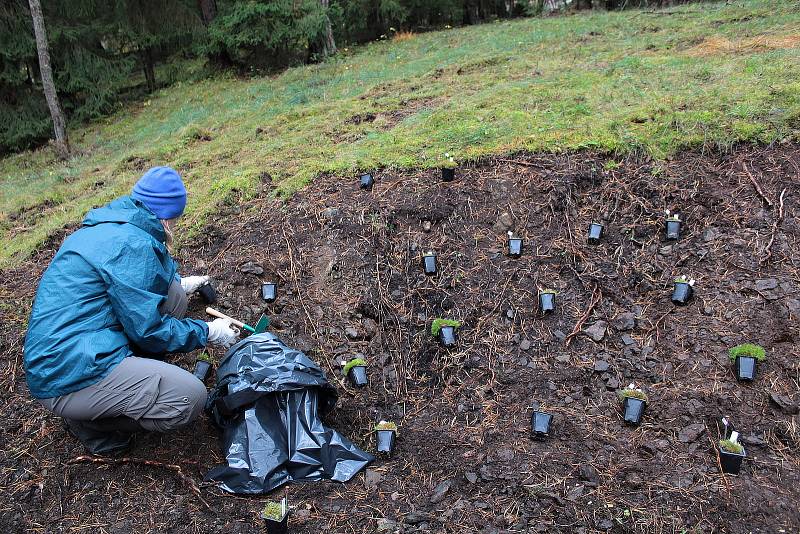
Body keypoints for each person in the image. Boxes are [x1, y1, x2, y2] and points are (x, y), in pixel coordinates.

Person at [23, 166, 240, 455]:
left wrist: (177, 282)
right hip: (68, 373)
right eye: (175, 218)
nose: (175, 224)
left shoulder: (117, 224)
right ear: (165, 215)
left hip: (75, 345)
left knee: (174, 297)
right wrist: (209, 331)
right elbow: (149, 330)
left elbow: (132, 287)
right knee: (190, 398)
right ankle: (93, 425)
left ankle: (129, 383)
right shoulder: (131, 246)